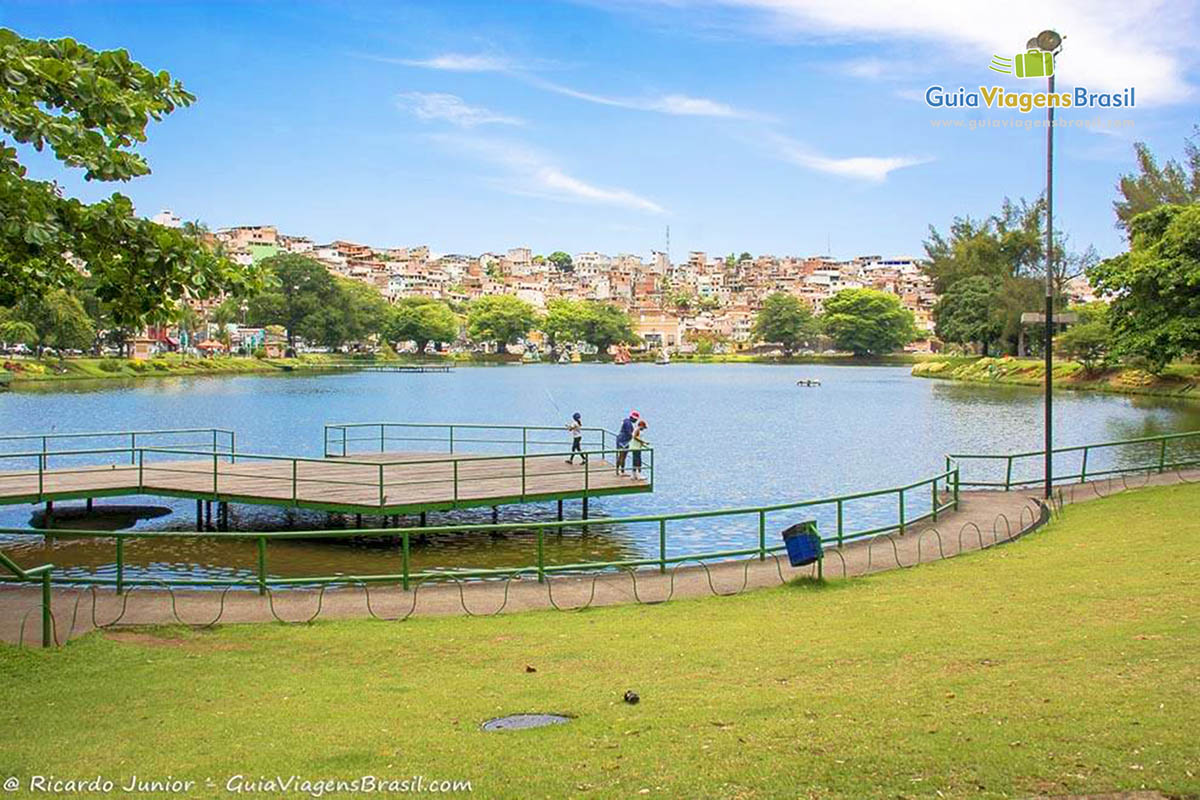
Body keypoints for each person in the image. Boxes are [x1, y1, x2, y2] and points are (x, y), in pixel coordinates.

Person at [615, 410, 639, 474]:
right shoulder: (628, 423)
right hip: (622, 440)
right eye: (636, 419)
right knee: (622, 455)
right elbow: (630, 433)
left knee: (623, 456)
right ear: (633, 418)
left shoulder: (627, 422)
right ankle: (619, 471)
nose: (636, 421)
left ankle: (621, 471)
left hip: (624, 440)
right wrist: (636, 438)